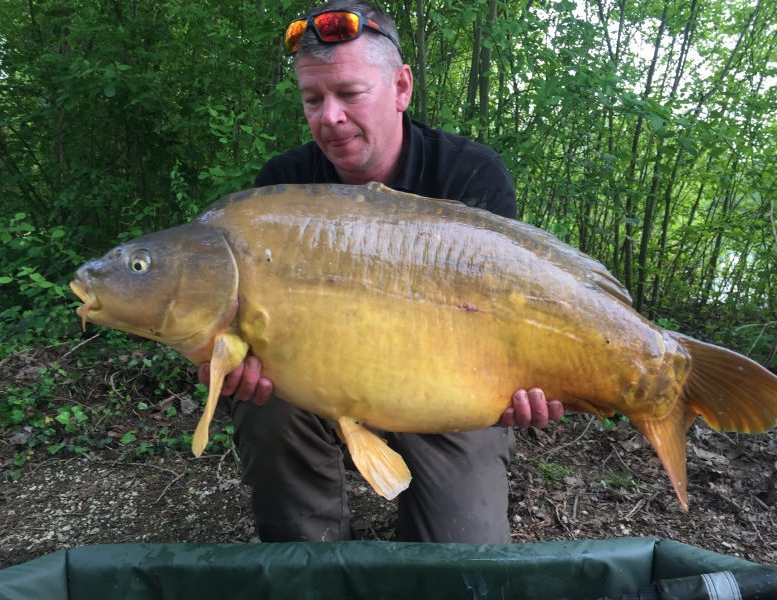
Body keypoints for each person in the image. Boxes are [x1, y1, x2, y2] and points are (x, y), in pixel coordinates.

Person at [199, 0, 564, 543]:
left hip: (446, 388)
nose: (330, 117)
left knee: (461, 562)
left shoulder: (468, 174)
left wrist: (527, 384)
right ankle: (311, 563)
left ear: (400, 88)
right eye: (313, 99)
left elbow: (510, 321)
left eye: (349, 94)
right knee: (266, 408)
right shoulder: (285, 185)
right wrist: (226, 364)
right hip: (321, 381)